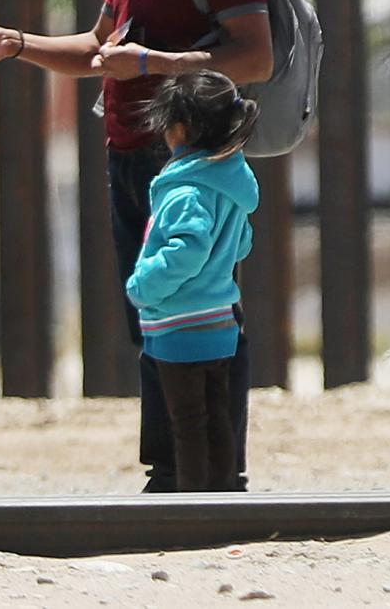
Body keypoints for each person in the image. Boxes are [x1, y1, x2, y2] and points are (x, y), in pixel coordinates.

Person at [0, 0, 272, 491]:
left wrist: (153, 63)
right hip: (132, 158)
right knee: (153, 316)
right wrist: (17, 44)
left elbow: (253, 57)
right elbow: (102, 50)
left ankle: (218, 473)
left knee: (209, 314)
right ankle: (171, 468)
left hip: (188, 164)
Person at [125, 72, 259, 492]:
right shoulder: (230, 184)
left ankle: (192, 505)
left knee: (187, 423)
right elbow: (241, 244)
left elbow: (187, 249)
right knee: (218, 417)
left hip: (180, 323)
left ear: (182, 128)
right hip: (220, 320)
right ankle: (222, 498)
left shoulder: (186, 191)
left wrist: (142, 286)